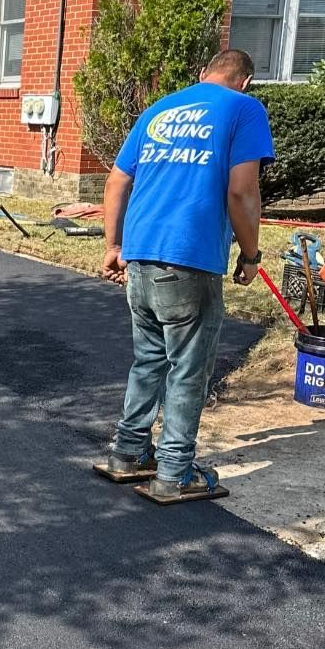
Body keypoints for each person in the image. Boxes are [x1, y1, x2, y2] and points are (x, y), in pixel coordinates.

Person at [98, 48, 274, 503]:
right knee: (189, 369)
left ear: (202, 75)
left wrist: (113, 247)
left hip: (139, 257)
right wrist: (251, 254)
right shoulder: (244, 108)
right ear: (245, 81)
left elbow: (117, 180)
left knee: (150, 359)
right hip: (188, 258)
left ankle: (129, 453)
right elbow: (242, 191)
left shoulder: (162, 108)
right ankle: (175, 472)